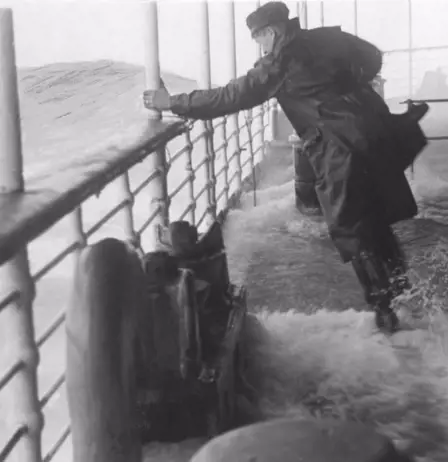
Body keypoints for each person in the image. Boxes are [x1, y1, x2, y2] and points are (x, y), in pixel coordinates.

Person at [143, 1, 429, 333]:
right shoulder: (328, 38)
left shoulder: (279, 64)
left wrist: (173, 102)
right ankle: (404, 296)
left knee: (355, 229)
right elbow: (372, 57)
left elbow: (230, 97)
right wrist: (345, 86)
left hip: (341, 149)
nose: (261, 47)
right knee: (376, 219)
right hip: (377, 131)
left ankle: (386, 314)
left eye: (260, 39)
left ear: (272, 32)